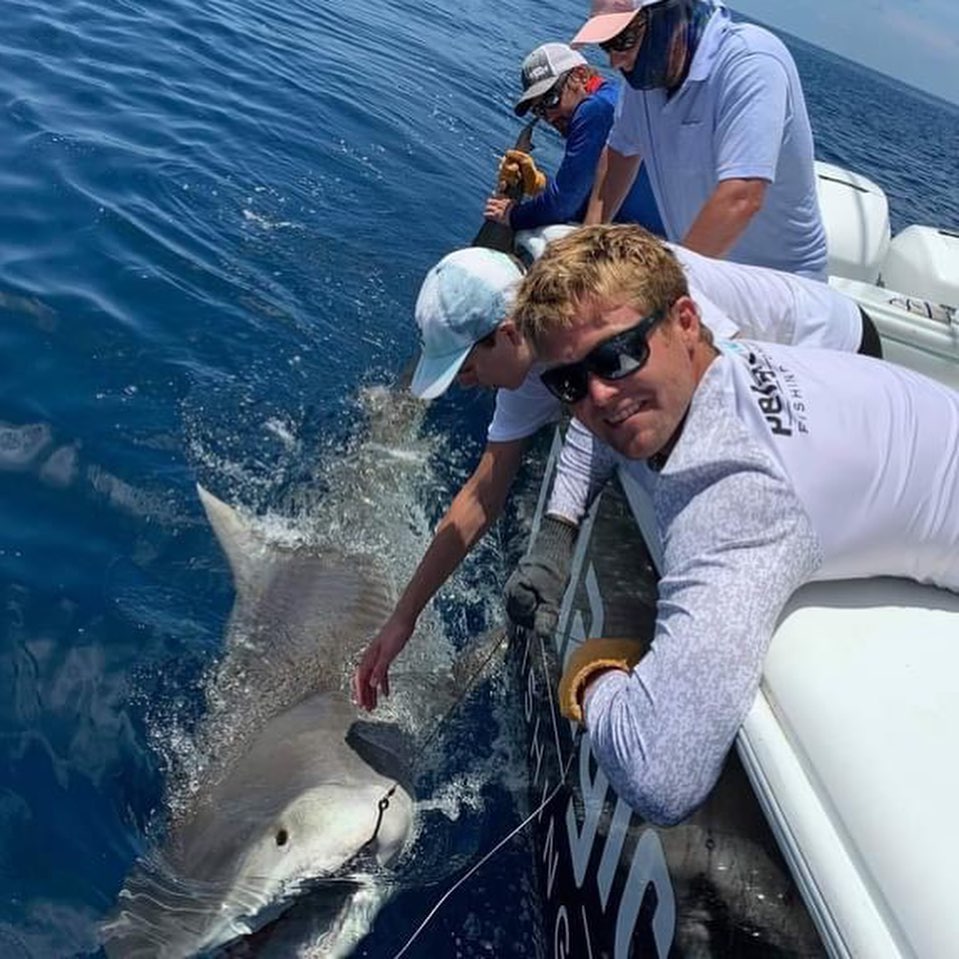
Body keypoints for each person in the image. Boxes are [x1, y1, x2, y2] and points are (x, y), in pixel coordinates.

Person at [508, 224, 959, 825]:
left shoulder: (737, 500)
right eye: (569, 383)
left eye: (618, 355)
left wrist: (589, 678)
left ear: (687, 321)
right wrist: (558, 534)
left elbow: (660, 774)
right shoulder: (714, 361)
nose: (600, 395)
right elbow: (604, 421)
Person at [352, 232, 878, 711]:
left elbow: (728, 382)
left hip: (834, 353)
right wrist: (404, 618)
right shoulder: (533, 359)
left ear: (509, 334)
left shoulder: (607, 293)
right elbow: (482, 494)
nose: (465, 384)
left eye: (465, 368)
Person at [573, 0, 828, 280]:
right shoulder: (645, 81)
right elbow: (619, 155)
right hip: (705, 270)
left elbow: (741, 197)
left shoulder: (751, 61)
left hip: (780, 283)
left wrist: (666, 293)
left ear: (671, 14)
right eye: (607, 44)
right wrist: (585, 253)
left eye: (623, 39)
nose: (614, 60)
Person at [483, 43, 663, 234]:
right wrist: (541, 185)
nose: (550, 117)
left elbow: (562, 206)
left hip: (650, 242)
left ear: (580, 76)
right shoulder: (613, 98)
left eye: (550, 99)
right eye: (539, 110)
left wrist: (512, 215)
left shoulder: (595, 110)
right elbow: (587, 197)